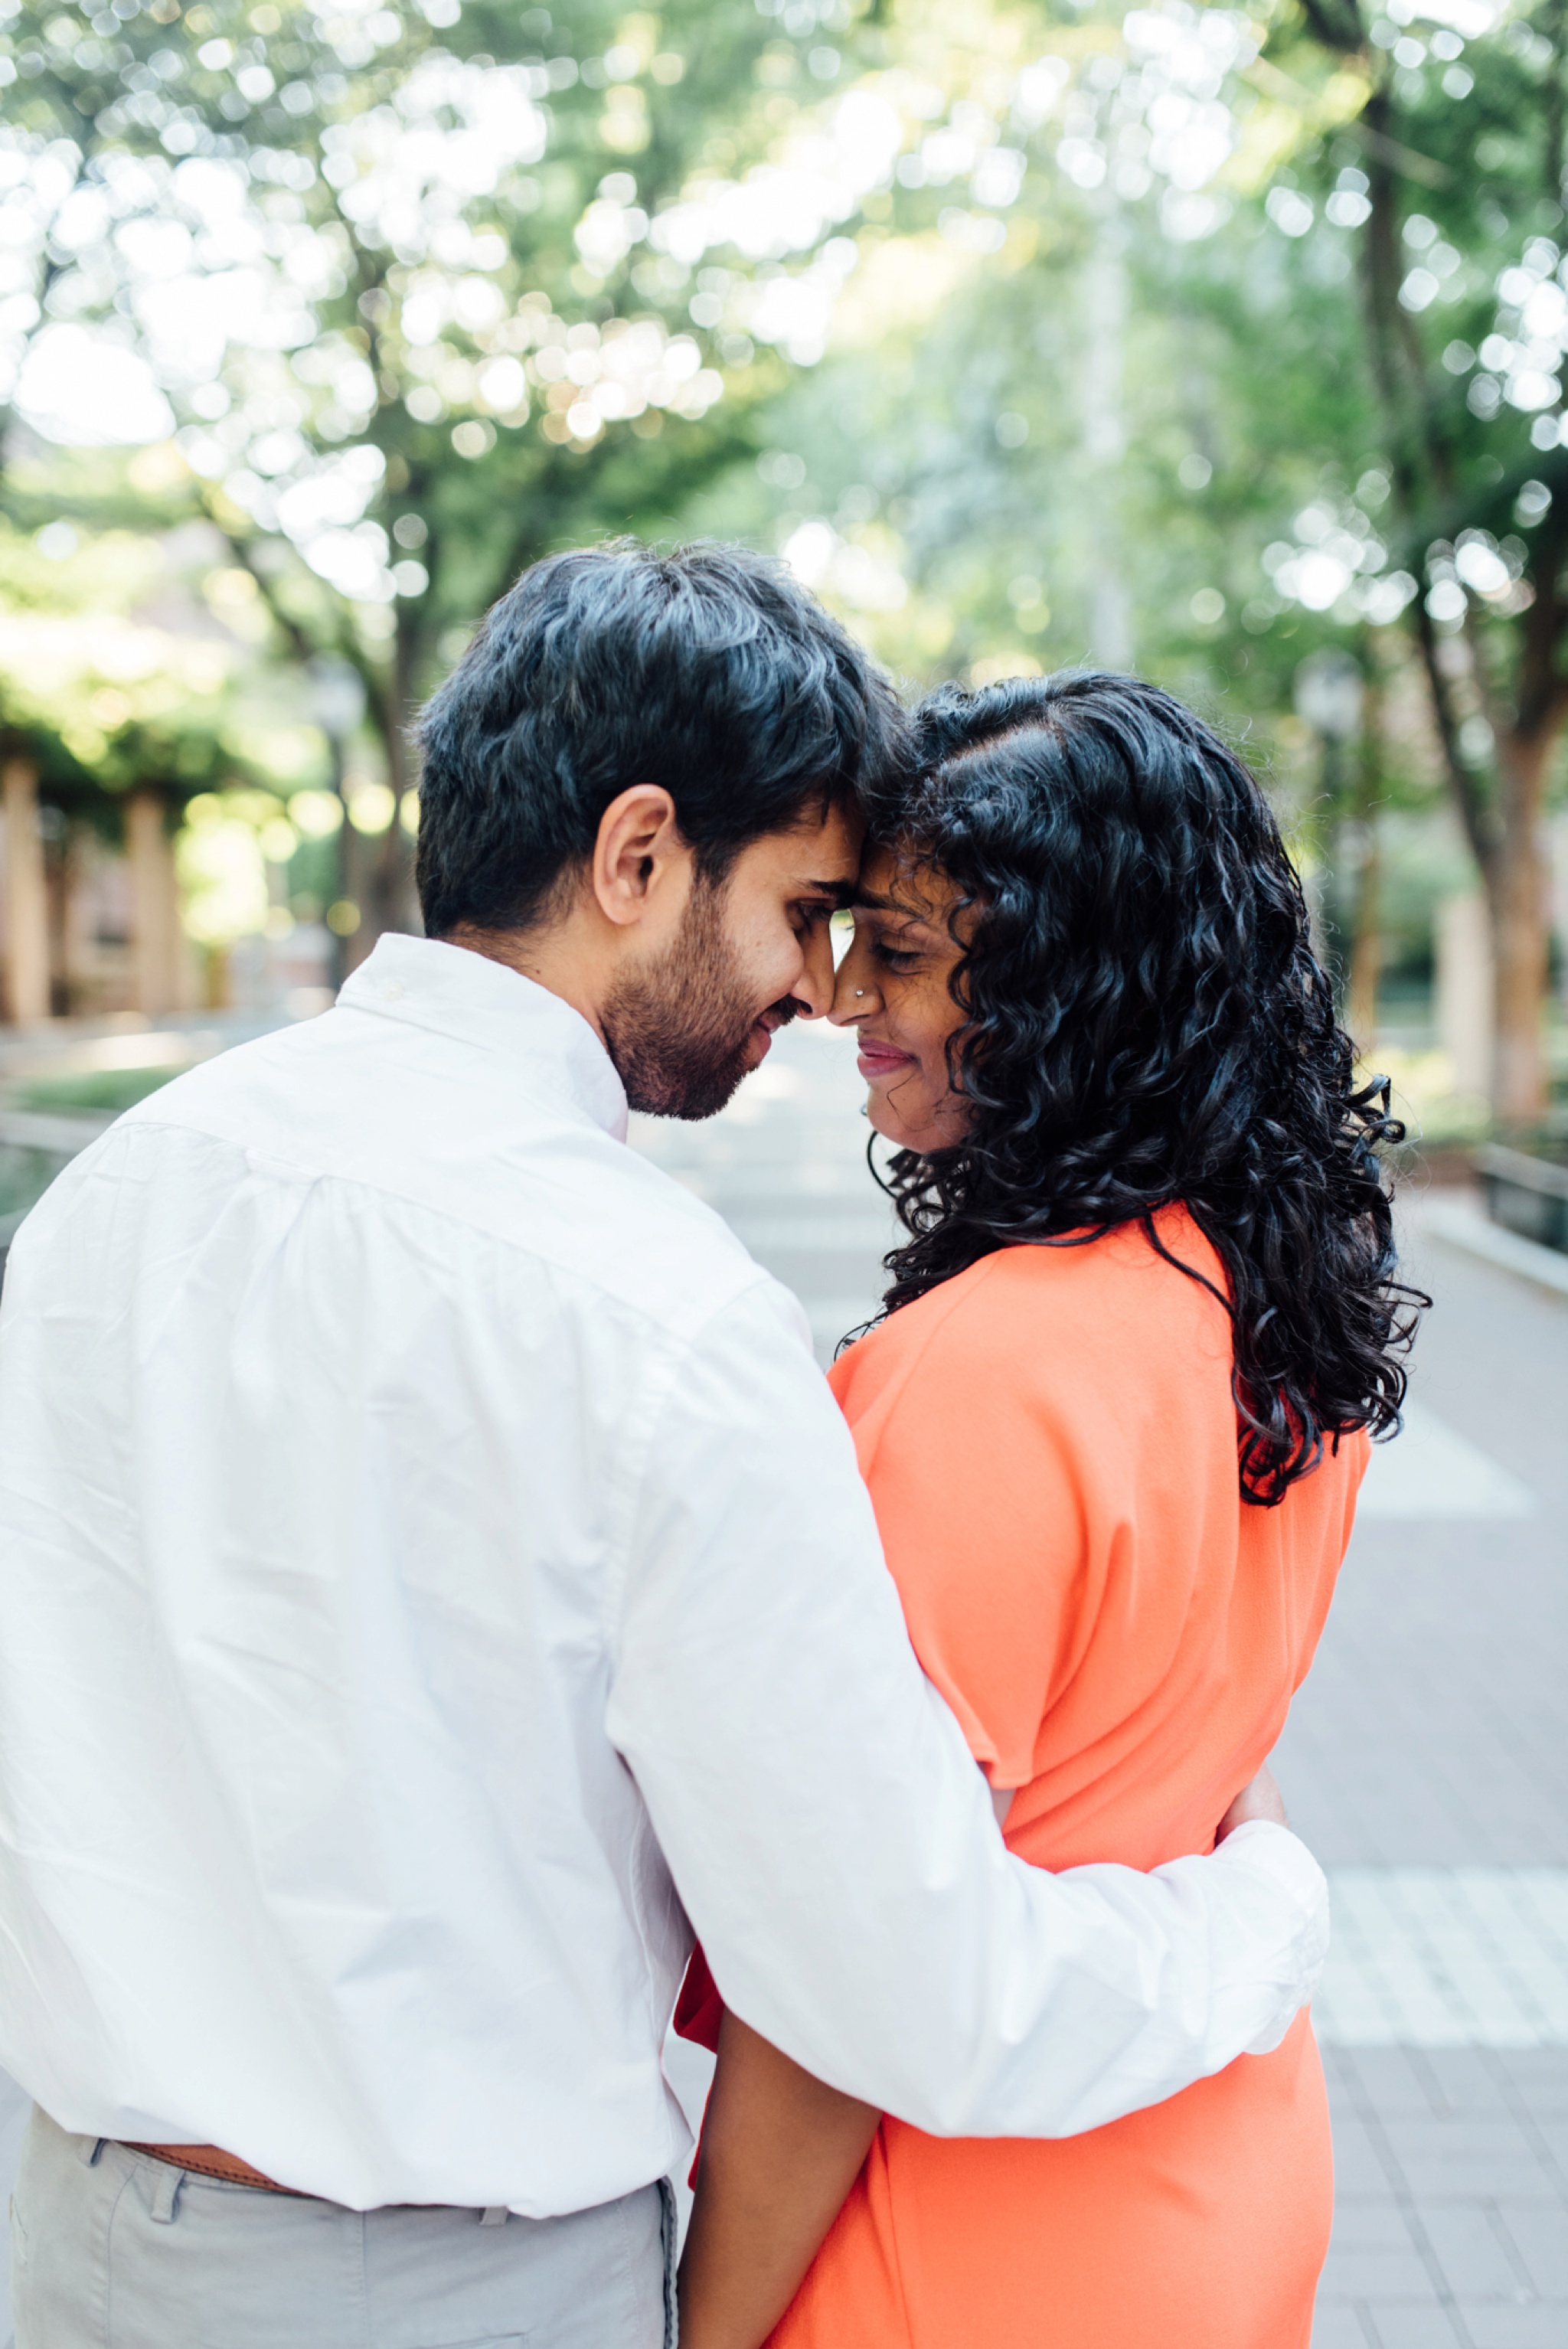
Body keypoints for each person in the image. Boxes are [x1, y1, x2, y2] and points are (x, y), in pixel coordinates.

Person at [0, 553, 1330, 2349]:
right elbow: (900, 1988)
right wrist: (1254, 1921)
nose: (815, 987)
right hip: (451, 2282)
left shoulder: (107, 1201)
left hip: (83, 2237)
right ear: (638, 858)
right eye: (802, 908)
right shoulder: (662, 1322)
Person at [676, 672, 1424, 2349]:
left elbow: (840, 1986)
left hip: (969, 2245)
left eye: (916, 956)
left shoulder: (972, 1377)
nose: (844, 993)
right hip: (1217, 2181)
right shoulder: (1273, 1310)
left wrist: (705, 2334)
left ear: (1074, 1000)